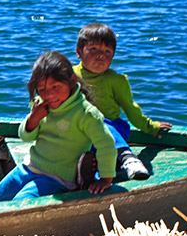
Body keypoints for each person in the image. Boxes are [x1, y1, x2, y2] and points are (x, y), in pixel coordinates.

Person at [0, 51, 116, 203]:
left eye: (56, 87)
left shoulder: (85, 113)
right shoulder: (40, 104)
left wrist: (106, 179)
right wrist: (34, 118)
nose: (49, 95)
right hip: (29, 167)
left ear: (72, 81)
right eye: (42, 89)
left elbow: (106, 144)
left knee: (23, 202)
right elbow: (25, 136)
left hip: (56, 178)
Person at [73, 23, 172, 180]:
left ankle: (128, 158)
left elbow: (131, 109)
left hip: (112, 130)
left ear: (112, 57)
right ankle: (89, 176)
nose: (101, 55)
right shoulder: (69, 76)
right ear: (79, 52)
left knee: (100, 123)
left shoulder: (116, 80)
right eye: (94, 49)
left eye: (107, 51)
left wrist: (150, 127)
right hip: (81, 133)